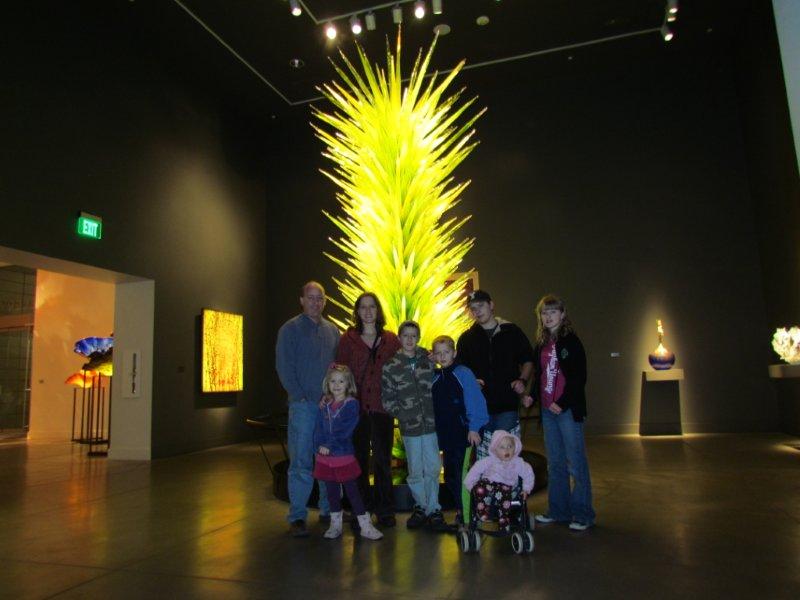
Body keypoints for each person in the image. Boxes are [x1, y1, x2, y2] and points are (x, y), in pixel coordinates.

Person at [276, 281, 340, 538]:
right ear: (302, 300)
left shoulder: (332, 331)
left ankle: (327, 510)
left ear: (325, 301)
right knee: (301, 462)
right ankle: (298, 516)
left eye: (319, 298)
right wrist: (300, 396)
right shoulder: (289, 329)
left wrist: (335, 397)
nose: (315, 302)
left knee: (326, 460)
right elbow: (284, 366)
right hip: (303, 407)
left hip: (328, 408)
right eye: (310, 298)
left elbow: (337, 367)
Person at [527, 294, 596, 531]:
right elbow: (539, 375)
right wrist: (532, 396)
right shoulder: (541, 343)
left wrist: (563, 402)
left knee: (576, 464)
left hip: (567, 412)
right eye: (544, 313)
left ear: (562, 314)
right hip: (548, 412)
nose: (548, 317)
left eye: (553, 312)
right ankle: (558, 511)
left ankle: (583, 514)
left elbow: (579, 377)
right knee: (555, 464)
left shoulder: (571, 342)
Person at [335, 292, 401, 527]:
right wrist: (333, 399)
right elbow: (339, 371)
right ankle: (360, 510)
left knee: (383, 460)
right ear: (357, 311)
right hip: (356, 409)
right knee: (359, 460)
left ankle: (385, 510)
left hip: (383, 408)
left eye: (372, 306)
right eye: (363, 307)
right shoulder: (348, 339)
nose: (368, 311)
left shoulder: (390, 339)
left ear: (378, 310)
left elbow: (404, 363)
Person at [381, 321, 446, 531]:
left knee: (433, 467)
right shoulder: (391, 366)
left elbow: (443, 379)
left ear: (418, 337)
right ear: (399, 338)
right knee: (415, 469)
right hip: (410, 428)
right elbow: (387, 399)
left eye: (414, 336)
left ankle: (434, 508)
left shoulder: (428, 359)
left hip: (431, 426)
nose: (410, 339)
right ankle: (421, 507)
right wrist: (403, 415)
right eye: (406, 335)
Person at [456, 290, 534, 458]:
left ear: (491, 305)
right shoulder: (465, 339)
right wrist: (471, 382)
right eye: (473, 308)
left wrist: (522, 380)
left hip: (507, 406)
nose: (477, 311)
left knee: (507, 457)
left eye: (481, 305)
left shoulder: (512, 332)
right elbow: (460, 370)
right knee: (485, 459)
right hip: (479, 409)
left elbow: (528, 360)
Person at [313, 363, 383, 540]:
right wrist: (319, 445)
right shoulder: (325, 404)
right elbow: (319, 427)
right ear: (327, 383)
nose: (336, 385)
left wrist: (329, 445)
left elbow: (345, 430)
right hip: (325, 458)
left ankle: (365, 525)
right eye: (333, 381)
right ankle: (335, 525)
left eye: (341, 381)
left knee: (353, 491)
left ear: (348, 384)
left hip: (342, 455)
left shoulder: (351, 405)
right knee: (331, 492)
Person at [431, 335, 489, 527]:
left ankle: (468, 516)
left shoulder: (463, 373)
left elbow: (475, 401)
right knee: (450, 476)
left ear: (454, 353)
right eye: (438, 353)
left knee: (462, 476)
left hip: (463, 436)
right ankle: (461, 510)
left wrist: (474, 428)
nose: (442, 356)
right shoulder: (435, 377)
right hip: (447, 437)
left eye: (446, 352)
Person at [463, 430, 534, 530]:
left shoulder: (517, 462)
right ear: (495, 450)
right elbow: (475, 470)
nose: (507, 450)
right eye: (502, 447)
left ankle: (504, 520)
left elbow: (528, 473)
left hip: (506, 487)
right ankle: (482, 511)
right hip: (489, 487)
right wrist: (470, 485)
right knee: (480, 487)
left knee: (504, 493)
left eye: (510, 446)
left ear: (515, 447)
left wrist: (526, 489)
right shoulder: (489, 461)